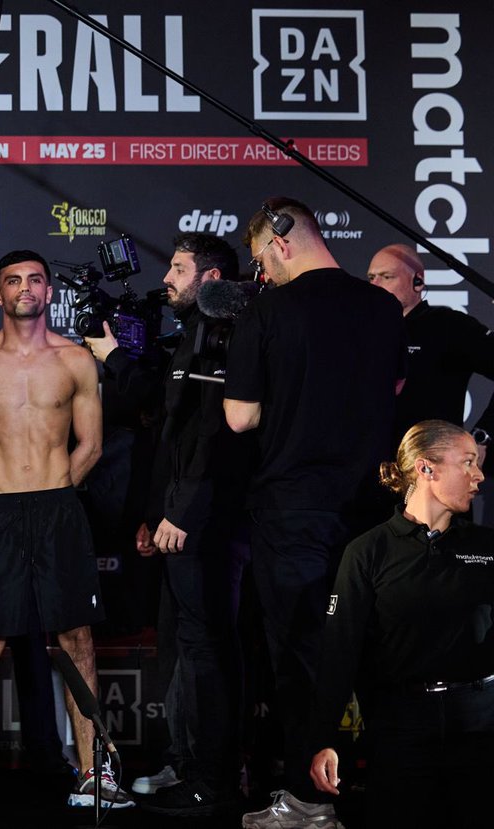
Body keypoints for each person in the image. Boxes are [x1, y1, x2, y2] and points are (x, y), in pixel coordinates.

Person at [224, 198, 406, 829]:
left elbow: (240, 417)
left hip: (294, 510)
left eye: (259, 260)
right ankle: (385, 790)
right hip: (373, 511)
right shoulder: (385, 308)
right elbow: (392, 394)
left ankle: (308, 803)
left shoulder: (266, 311)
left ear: (279, 242)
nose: (260, 275)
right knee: (376, 650)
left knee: (302, 655)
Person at [0, 249, 131, 812]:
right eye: (14, 281)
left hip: (58, 511)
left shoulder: (74, 360)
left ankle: (95, 773)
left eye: (36, 280)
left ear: (49, 292)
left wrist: (52, 494)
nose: (26, 288)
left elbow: (91, 444)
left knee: (77, 640)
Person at [88, 233, 247, 816]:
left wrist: (181, 513)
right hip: (178, 515)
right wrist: (156, 514)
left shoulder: (228, 337)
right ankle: (186, 763)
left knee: (206, 648)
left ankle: (213, 778)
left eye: (178, 269)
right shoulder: (191, 338)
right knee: (182, 646)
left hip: (208, 522)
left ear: (210, 280)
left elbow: (215, 439)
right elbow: (171, 433)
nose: (167, 279)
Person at [310, 420, 491, 828]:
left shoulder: (486, 548)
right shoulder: (367, 552)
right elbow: (340, 652)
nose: (478, 475)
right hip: (401, 728)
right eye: (467, 463)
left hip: (480, 727)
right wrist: (325, 739)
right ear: (427, 469)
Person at [366, 243, 494, 464]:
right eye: (371, 278)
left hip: (435, 471)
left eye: (387, 277)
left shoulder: (448, 326)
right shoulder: (362, 331)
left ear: (418, 282)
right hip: (370, 474)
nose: (375, 285)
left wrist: (482, 437)